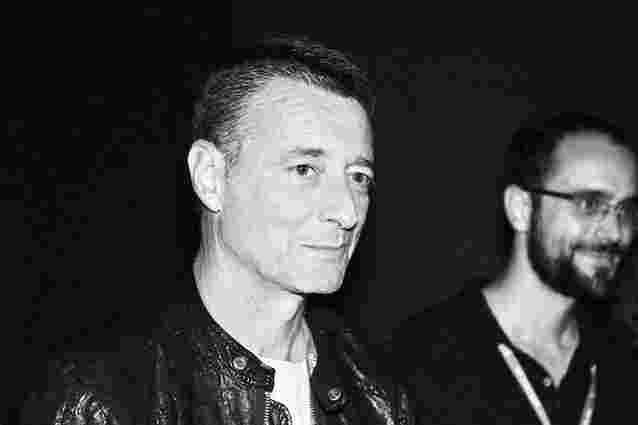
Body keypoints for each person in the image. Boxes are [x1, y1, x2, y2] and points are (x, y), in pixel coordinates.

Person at [22, 36, 413, 425]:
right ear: (210, 177)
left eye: (358, 177)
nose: (347, 211)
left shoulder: (378, 396)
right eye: (304, 170)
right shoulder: (104, 400)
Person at [390, 112, 637, 424]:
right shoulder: (420, 361)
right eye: (589, 204)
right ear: (521, 209)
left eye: (627, 210)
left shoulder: (623, 360)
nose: (616, 232)